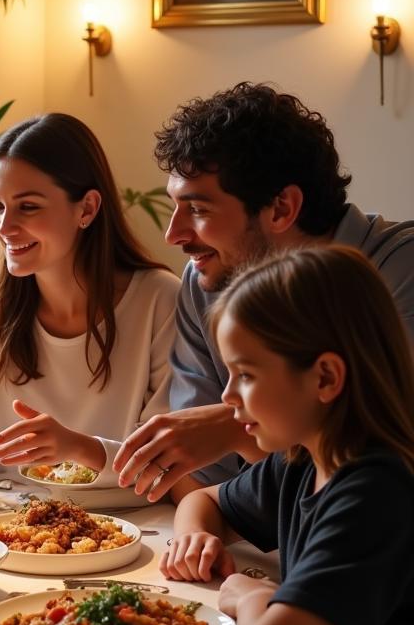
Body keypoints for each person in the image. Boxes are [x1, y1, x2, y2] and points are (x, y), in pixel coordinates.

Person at [162, 246, 413, 625]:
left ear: (324, 377)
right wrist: (197, 538)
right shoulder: (303, 461)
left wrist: (252, 596)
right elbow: (202, 500)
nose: (226, 398)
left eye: (245, 375)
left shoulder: (375, 493)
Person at [114, 82, 414, 499]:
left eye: (198, 210)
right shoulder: (206, 281)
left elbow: (385, 456)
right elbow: (205, 472)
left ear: (282, 208)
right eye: (174, 207)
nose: (172, 235)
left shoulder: (401, 271)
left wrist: (233, 426)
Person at [0, 113, 192, 502]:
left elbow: (168, 458)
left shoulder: (158, 299)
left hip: (126, 525)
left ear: (87, 209)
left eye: (27, 207)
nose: (4, 226)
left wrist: (77, 447)